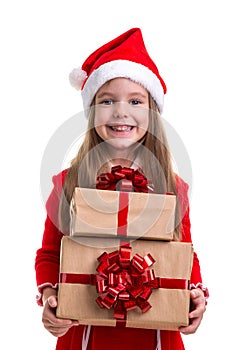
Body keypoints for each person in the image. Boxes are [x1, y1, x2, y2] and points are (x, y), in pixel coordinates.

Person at [35, 27, 209, 350]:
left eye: (134, 101)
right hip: (86, 333)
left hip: (155, 336)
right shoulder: (67, 183)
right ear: (92, 112)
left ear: (151, 112)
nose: (120, 111)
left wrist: (195, 293)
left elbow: (184, 253)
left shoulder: (174, 188)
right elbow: (49, 253)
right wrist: (50, 299)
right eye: (107, 100)